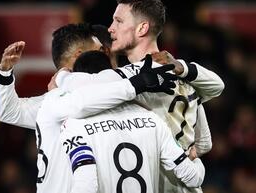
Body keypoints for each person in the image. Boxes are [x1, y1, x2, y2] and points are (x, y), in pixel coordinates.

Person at [54, 0, 225, 192]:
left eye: (118, 21)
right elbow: (205, 143)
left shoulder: (128, 80)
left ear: (142, 29)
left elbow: (80, 90)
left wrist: (62, 76)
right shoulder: (184, 78)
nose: (110, 28)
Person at [0, 23, 177, 192]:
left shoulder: (55, 100)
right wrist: (140, 78)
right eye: (100, 51)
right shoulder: (55, 102)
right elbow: (9, 111)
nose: (105, 56)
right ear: (80, 55)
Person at [37, 50, 205, 193]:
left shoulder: (73, 126)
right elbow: (193, 178)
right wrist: (195, 160)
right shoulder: (152, 119)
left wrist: (62, 77)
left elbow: (86, 185)